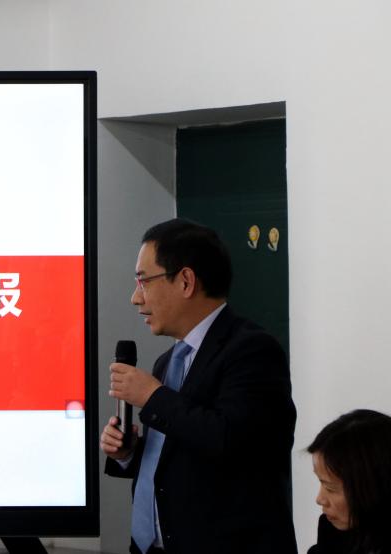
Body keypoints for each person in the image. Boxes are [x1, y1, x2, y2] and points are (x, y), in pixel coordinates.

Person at [100, 218, 297, 554]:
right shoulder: (168, 361)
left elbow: (233, 440)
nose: (135, 298)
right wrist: (129, 453)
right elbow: (181, 458)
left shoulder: (252, 350)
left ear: (186, 281)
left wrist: (152, 396)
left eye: (143, 281)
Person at [307, 409, 391, 554]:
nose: (320, 499)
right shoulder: (331, 531)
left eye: (331, 489)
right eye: (321, 482)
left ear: (375, 489)